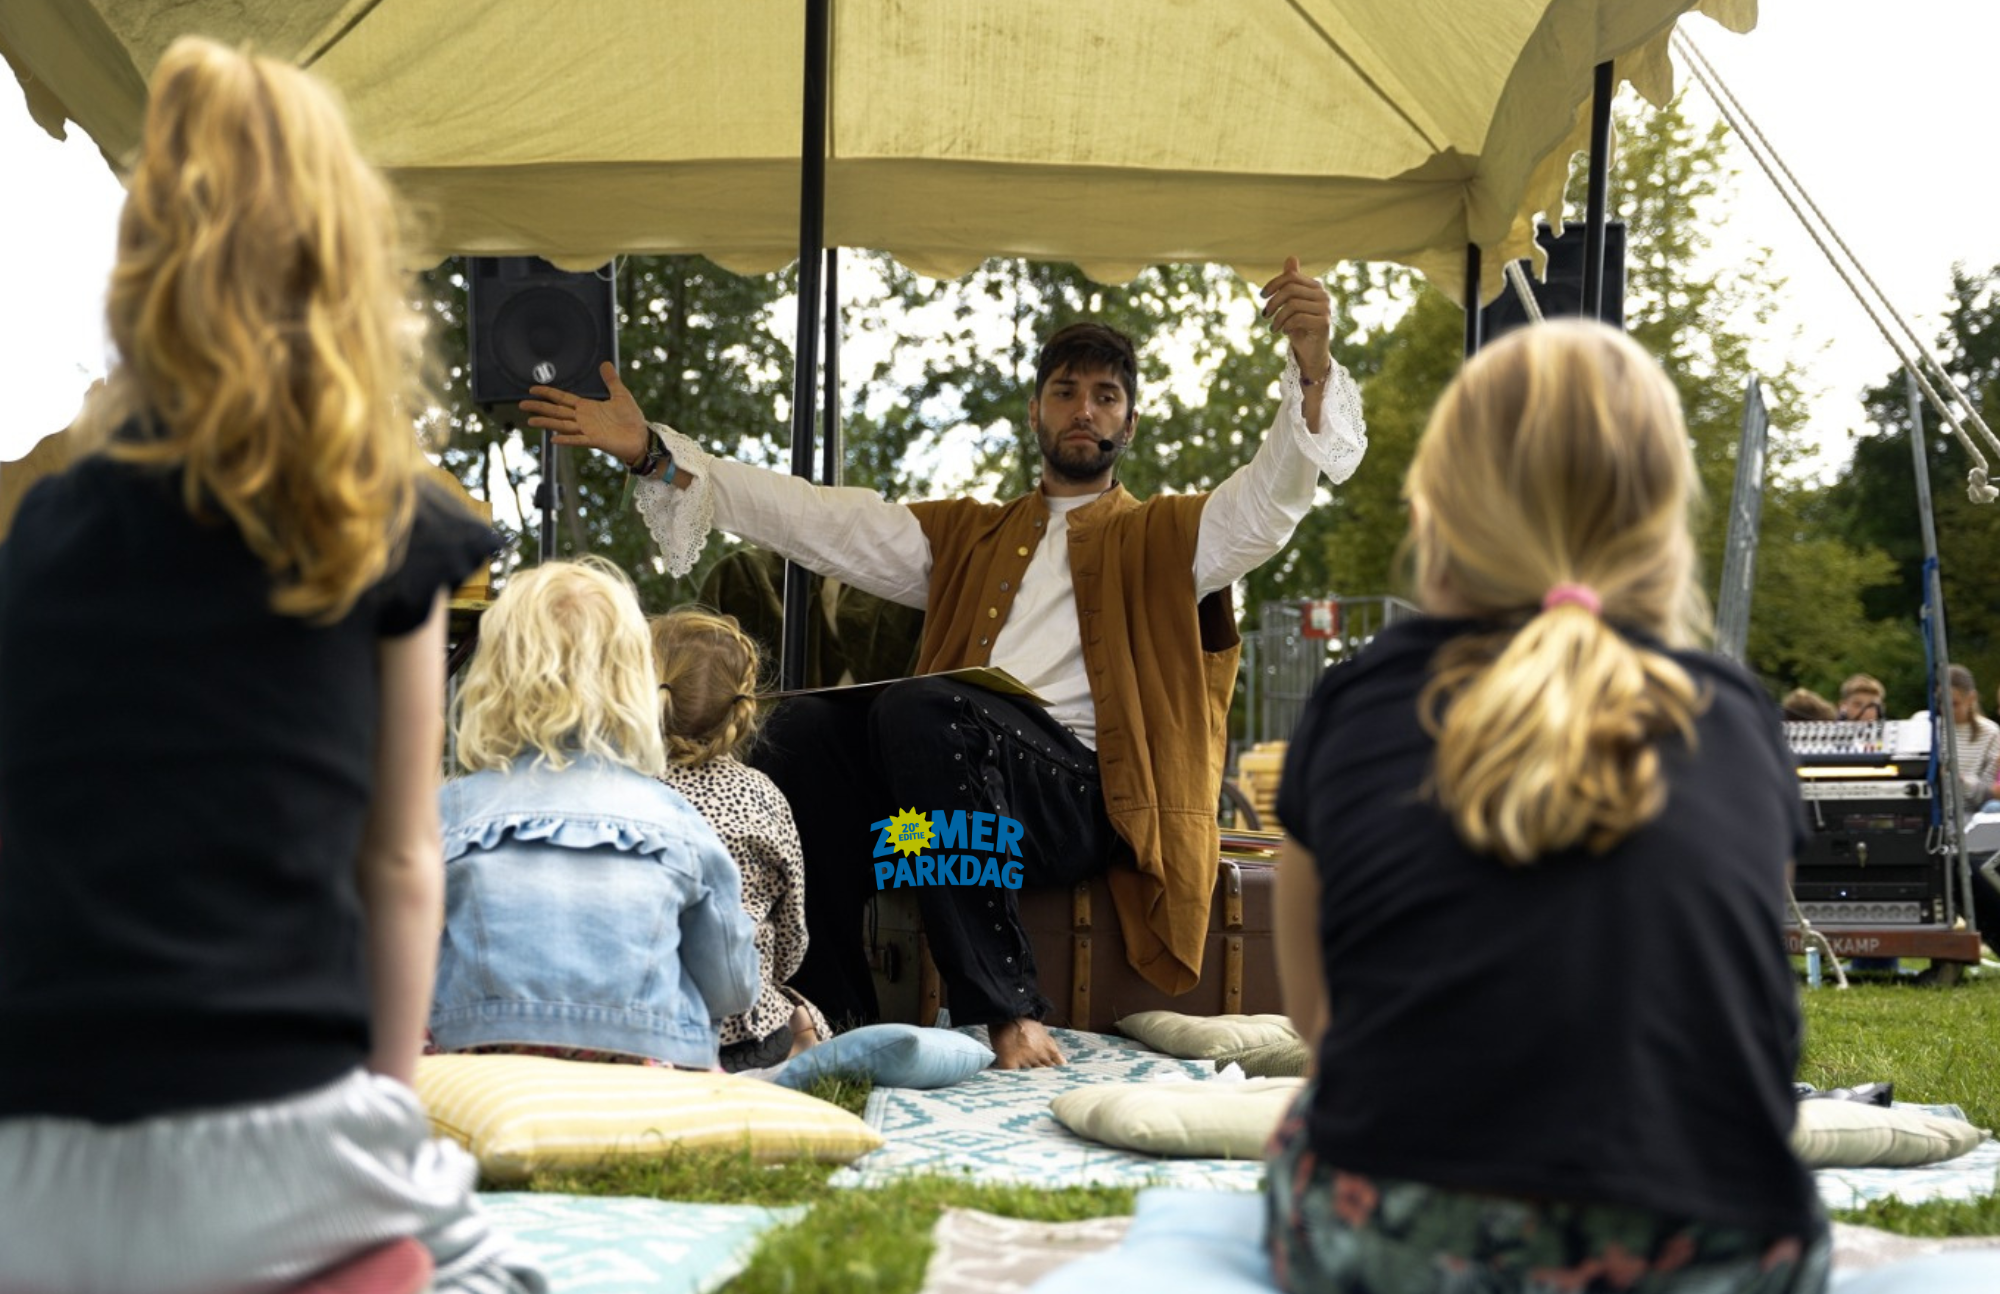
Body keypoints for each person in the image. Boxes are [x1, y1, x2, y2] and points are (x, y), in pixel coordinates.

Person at [523, 259, 1367, 1067]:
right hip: (926, 831)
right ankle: (835, 1014)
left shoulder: (1174, 536)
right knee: (804, 729)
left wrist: (1312, 364)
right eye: (1066, 391)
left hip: (1079, 811)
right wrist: (655, 452)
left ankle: (1007, 1010)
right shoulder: (968, 535)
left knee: (924, 708)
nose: (1084, 409)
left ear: (1130, 423)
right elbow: (816, 518)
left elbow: (1271, 500)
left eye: (1106, 396)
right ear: (1035, 413)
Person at [0, 38, 543, 1293]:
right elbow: (400, 859)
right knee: (490, 1268)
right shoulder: (382, 520)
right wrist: (386, 1112)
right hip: (277, 1135)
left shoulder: (42, 533)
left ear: (141, 277)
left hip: (27, 1163)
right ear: (347, 265)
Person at [1267, 321, 1827, 1293]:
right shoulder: (1736, 719)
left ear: (1437, 508)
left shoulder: (1355, 702)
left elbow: (1321, 1024)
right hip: (1719, 1246)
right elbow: (1743, 1006)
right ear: (1660, 521)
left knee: (1305, 1126)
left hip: (1397, 1238)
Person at [432, 561, 759, 1070]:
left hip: (480, 1069)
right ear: (635, 683)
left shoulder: (450, 811)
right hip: (643, 1072)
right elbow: (733, 989)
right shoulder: (676, 819)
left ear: (493, 680)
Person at [652, 607, 832, 1070]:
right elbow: (791, 938)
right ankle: (801, 1041)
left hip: (643, 1031)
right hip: (745, 1036)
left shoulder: (619, 788)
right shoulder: (762, 795)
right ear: (742, 701)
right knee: (790, 1002)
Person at [1940, 664, 2000, 812]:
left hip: (1970, 811)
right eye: (1942, 702)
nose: (1946, 710)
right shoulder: (1927, 725)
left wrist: (1958, 780)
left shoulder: (1990, 733)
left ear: (1971, 698)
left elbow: (1987, 794)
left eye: (1954, 704)